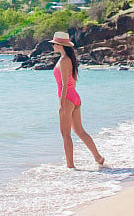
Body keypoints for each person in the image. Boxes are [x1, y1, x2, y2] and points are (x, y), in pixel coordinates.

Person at [50, 31, 104, 168]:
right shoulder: (70, 59)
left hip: (67, 98)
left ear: (60, 45)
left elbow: (64, 85)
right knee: (80, 131)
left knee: (65, 134)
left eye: (54, 44)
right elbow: (72, 81)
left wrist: (61, 104)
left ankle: (70, 166)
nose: (53, 46)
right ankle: (98, 157)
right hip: (75, 97)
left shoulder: (63, 61)